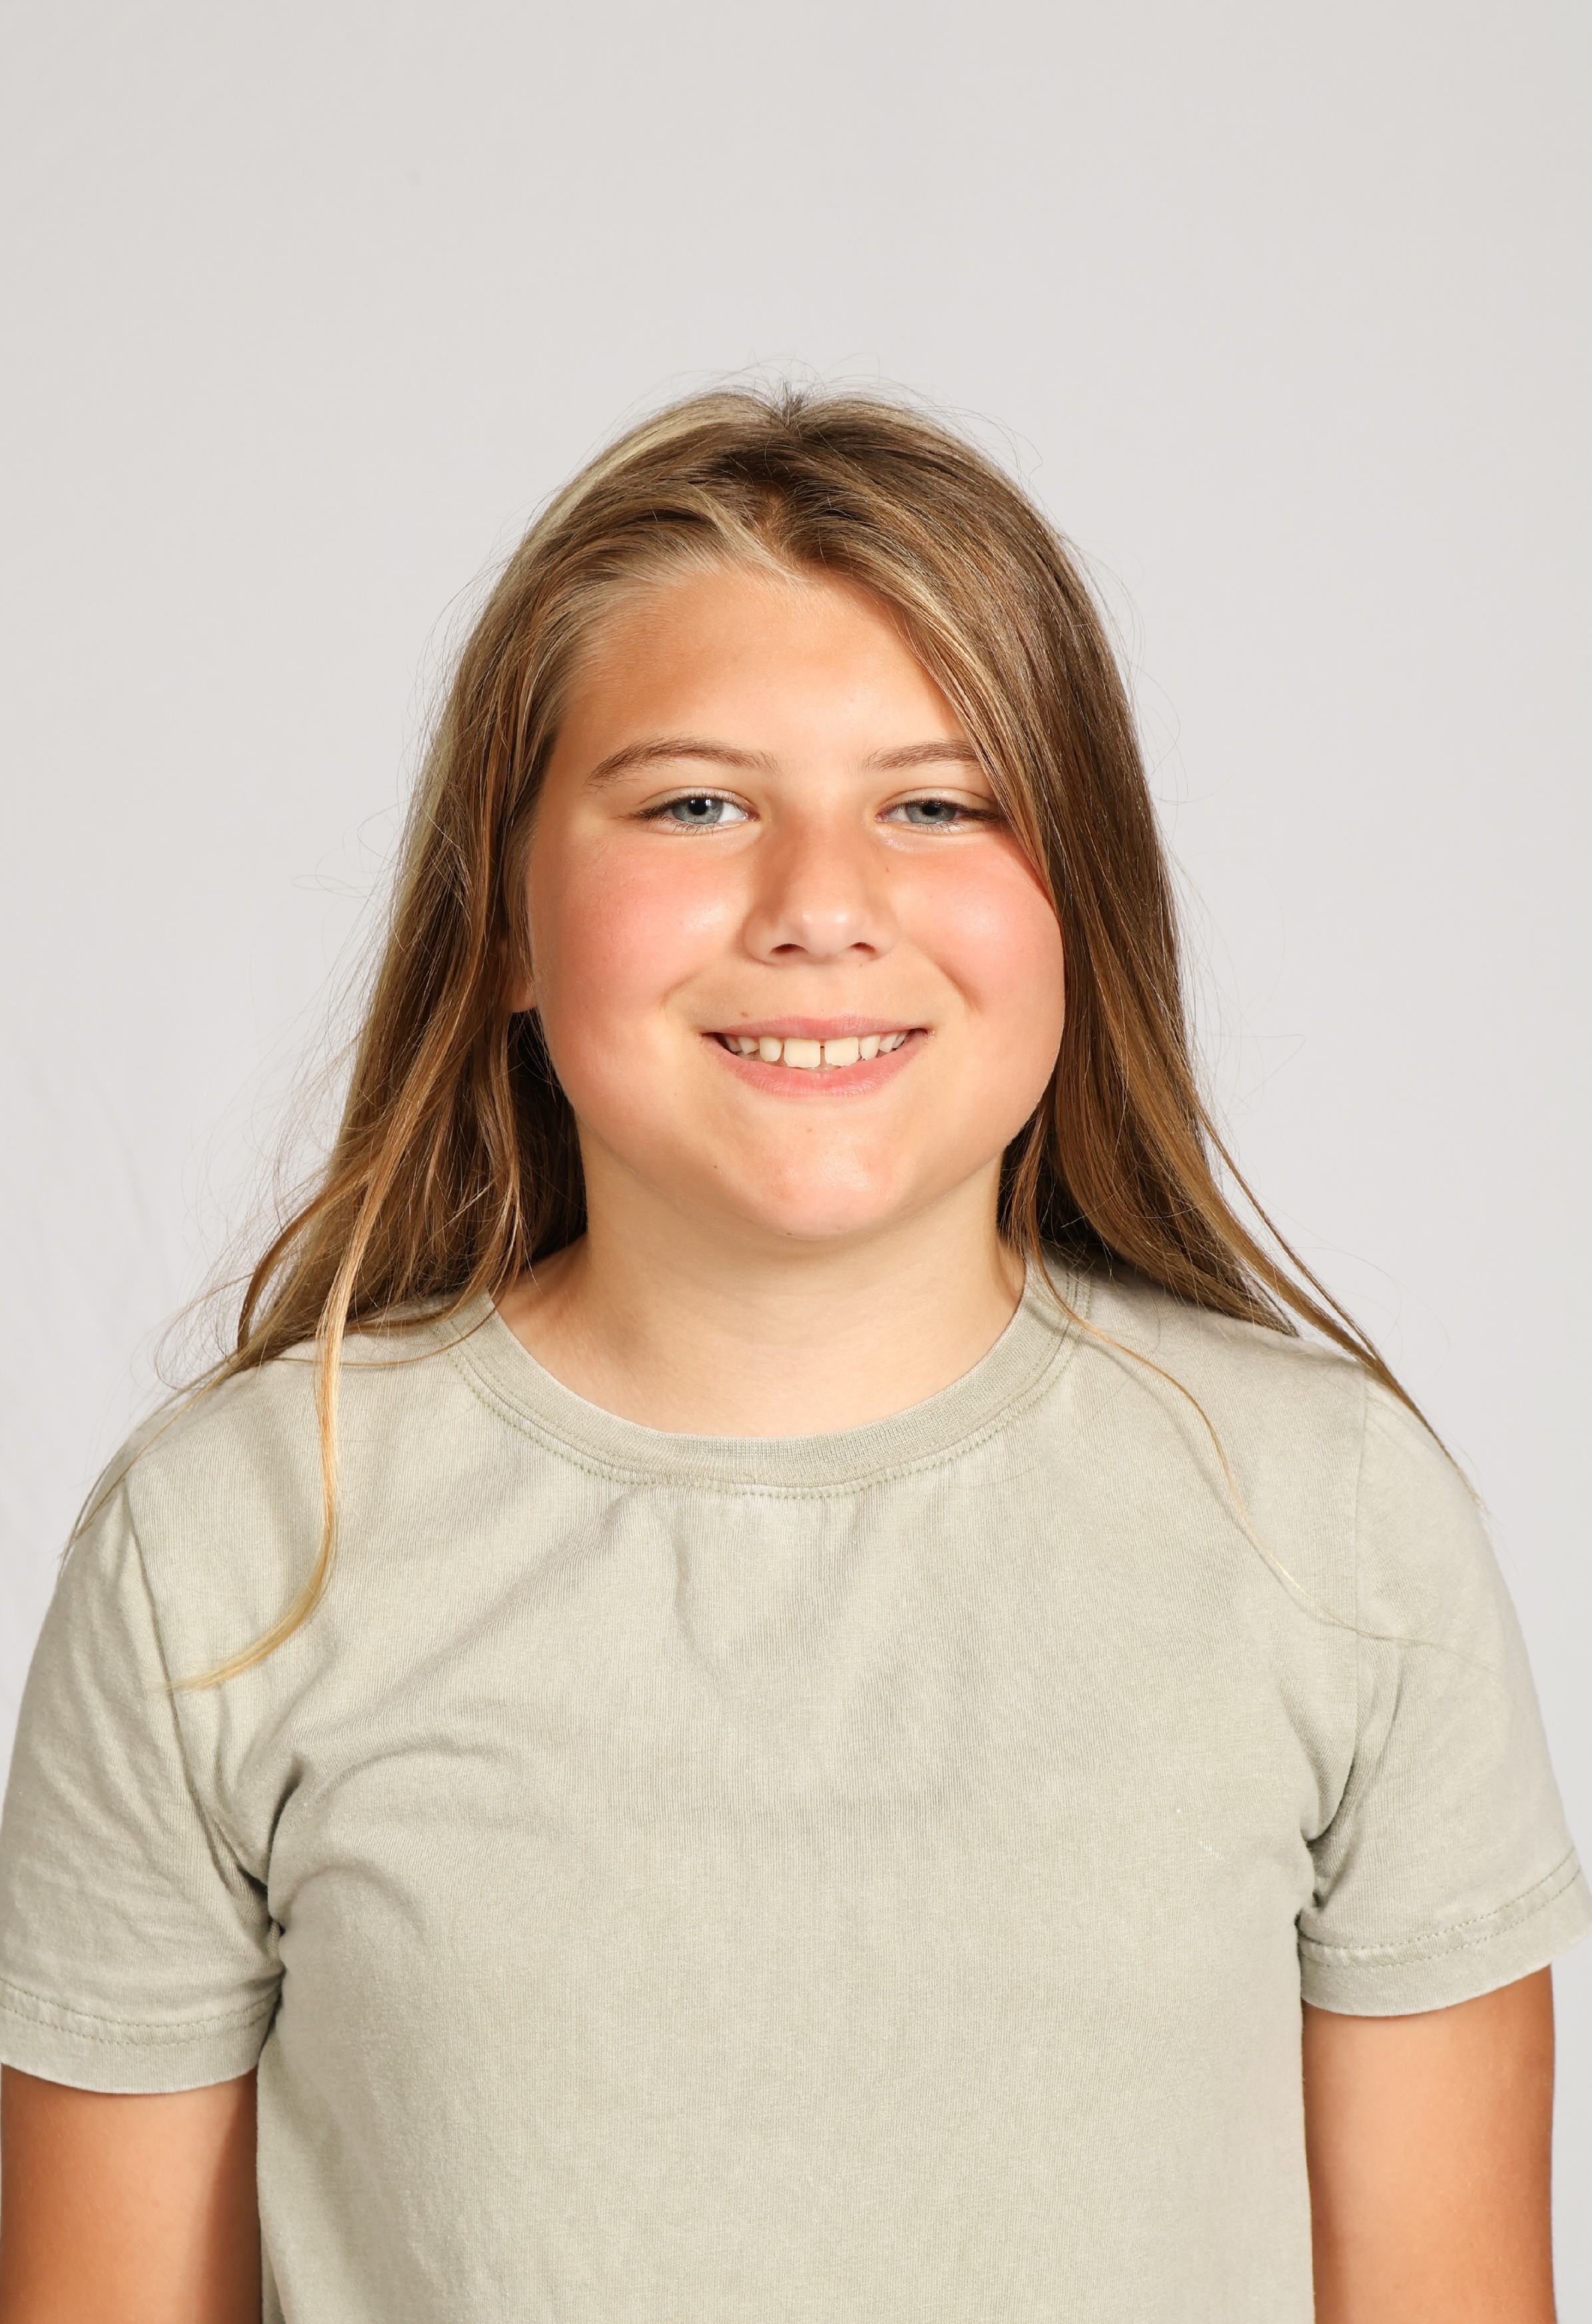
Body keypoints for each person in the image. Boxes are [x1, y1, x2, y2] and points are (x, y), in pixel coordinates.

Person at [0, 389, 1585, 2324]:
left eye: (938, 803)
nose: (822, 906)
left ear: (1082, 902)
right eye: (695, 804)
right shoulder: (231, 1549)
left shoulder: (1333, 1522)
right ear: (505, 917)